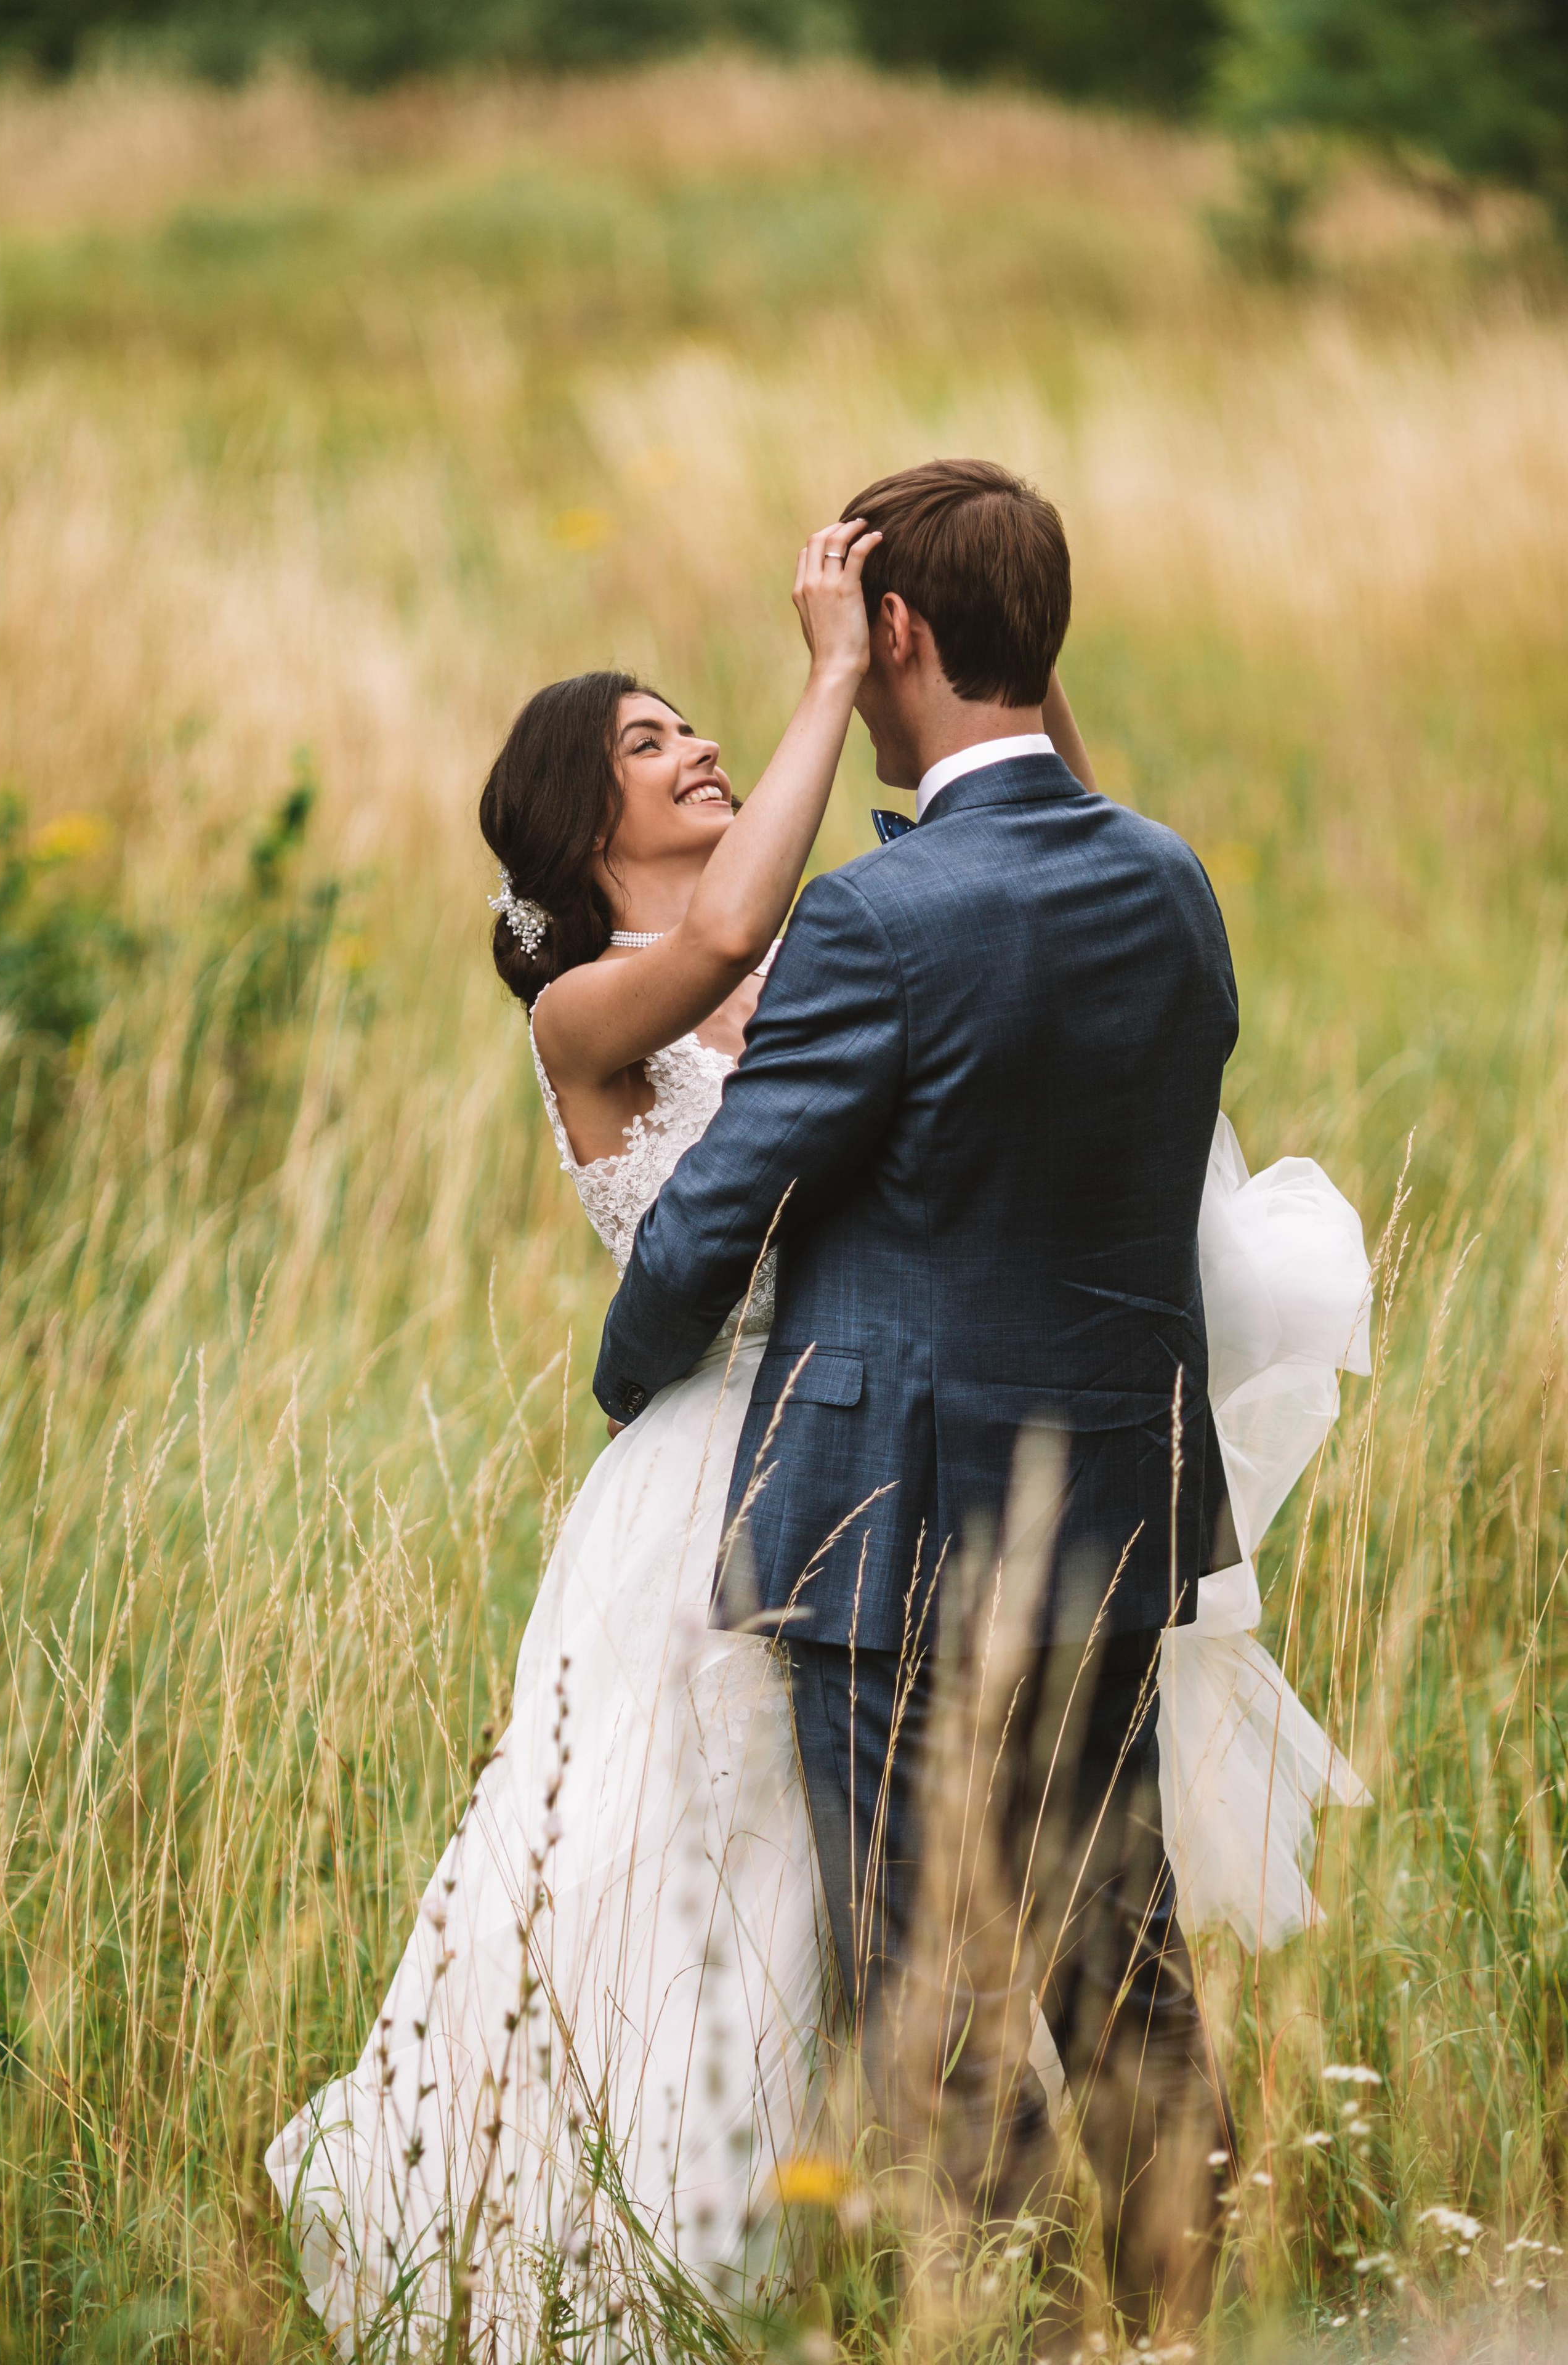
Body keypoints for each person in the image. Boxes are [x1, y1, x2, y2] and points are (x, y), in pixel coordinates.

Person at [268, 464, 1370, 2359]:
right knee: (848, 1922)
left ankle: (1007, 2316)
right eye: (646, 740)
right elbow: (979, 883)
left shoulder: (864, 929)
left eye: (690, 724)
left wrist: (628, 1365)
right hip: (908, 1485)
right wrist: (889, 668)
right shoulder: (660, 984)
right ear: (574, 819)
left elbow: (730, 1198)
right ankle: (1009, 2294)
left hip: (862, 1495)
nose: (693, 743)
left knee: (935, 1965)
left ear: (907, 640)